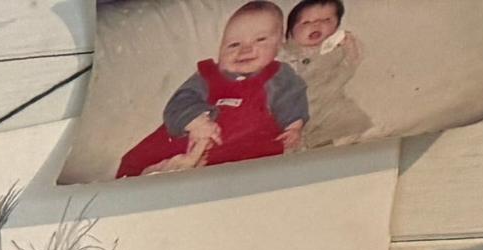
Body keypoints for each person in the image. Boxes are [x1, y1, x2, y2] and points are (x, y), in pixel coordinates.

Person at [116, 0, 309, 172]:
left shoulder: (279, 75)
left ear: (279, 45)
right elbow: (180, 101)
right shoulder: (207, 76)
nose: (245, 49)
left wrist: (294, 127)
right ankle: (157, 171)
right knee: (143, 161)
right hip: (192, 141)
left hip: (245, 152)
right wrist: (196, 121)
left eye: (260, 40)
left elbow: (292, 97)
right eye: (233, 44)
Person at [286, 0, 377, 147]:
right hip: (297, 114)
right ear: (290, 32)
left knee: (345, 132)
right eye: (306, 22)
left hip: (330, 107)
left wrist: (349, 48)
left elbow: (350, 67)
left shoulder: (336, 51)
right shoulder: (287, 52)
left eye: (326, 20)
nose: (316, 25)